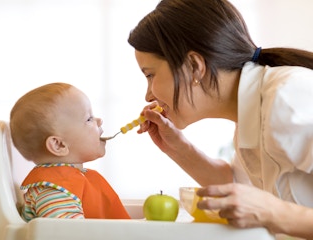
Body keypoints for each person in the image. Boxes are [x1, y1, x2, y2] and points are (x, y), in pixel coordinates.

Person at [127, 0, 313, 239]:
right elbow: (239, 186)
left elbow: (264, 207)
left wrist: (274, 213)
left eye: (150, 75)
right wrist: (177, 148)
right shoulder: (251, 111)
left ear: (194, 65)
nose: (148, 94)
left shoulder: (289, 97)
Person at [10, 82, 130, 222]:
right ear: (59, 144)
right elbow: (69, 233)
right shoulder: (55, 192)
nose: (99, 120)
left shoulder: (69, 183)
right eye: (89, 119)